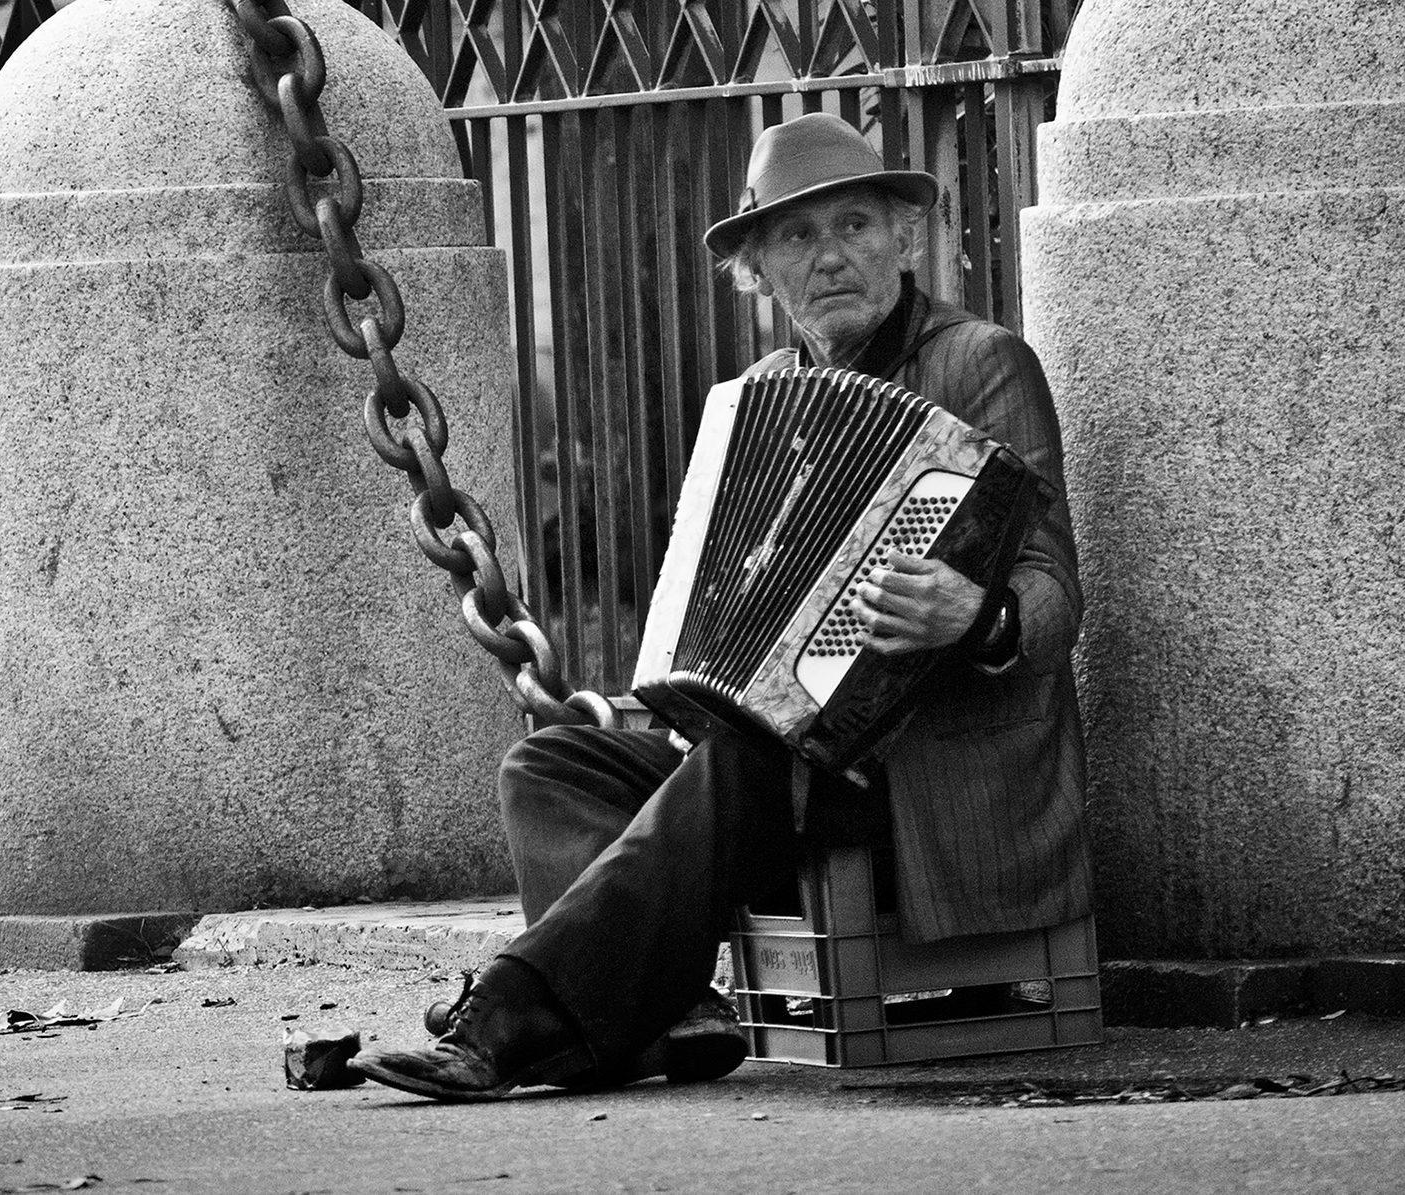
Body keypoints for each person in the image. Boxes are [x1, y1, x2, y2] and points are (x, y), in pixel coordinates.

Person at [348, 112, 1093, 1102]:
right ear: (757, 268)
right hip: (780, 764)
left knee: (751, 754)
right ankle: (671, 1010)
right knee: (551, 762)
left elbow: (1053, 589)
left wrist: (978, 615)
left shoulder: (980, 364)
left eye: (857, 225)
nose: (831, 256)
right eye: (796, 236)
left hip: (926, 770)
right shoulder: (753, 399)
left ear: (904, 238)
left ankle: (506, 1016)